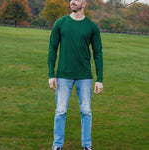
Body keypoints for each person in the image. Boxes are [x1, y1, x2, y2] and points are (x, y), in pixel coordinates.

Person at [48, 0, 103, 149]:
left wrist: (100, 78)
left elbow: (98, 53)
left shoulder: (92, 27)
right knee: (60, 111)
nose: (73, 2)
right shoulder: (60, 23)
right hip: (63, 76)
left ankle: (86, 145)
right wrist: (51, 74)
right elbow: (52, 49)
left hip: (84, 76)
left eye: (77, 0)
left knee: (86, 111)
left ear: (84, 3)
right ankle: (57, 145)